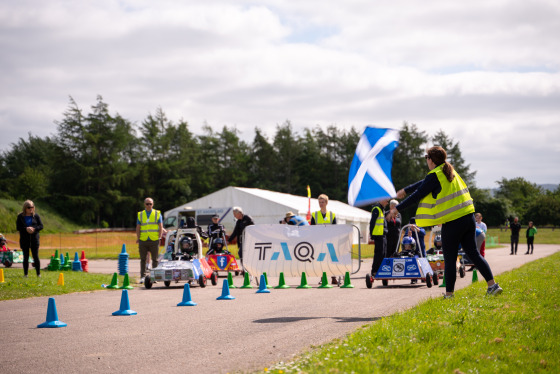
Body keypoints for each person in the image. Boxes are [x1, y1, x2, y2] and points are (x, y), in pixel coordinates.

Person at [387, 146, 502, 298]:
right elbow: (424, 183)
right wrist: (406, 190)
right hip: (468, 218)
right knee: (473, 253)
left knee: (449, 258)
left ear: (431, 160)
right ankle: (492, 285)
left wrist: (396, 209)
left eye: (426, 157)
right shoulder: (449, 171)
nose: (426, 161)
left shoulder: (435, 175)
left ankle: (449, 295)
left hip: (453, 222)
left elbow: (420, 193)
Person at [136, 197, 164, 283]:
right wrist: (138, 238)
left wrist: (159, 237)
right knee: (143, 259)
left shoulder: (157, 213)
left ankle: (154, 277)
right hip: (143, 239)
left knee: (155, 259)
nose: (149, 205)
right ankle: (142, 277)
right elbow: (138, 227)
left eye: (150, 204)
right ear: (144, 204)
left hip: (154, 239)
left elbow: (161, 227)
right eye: (147, 204)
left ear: (153, 204)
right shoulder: (140, 214)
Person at [16, 200, 43, 278]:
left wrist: (34, 229)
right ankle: (25, 274)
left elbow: (41, 226)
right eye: (29, 207)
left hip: (34, 239)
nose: (31, 209)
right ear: (25, 208)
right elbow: (18, 227)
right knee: (26, 257)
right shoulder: (20, 216)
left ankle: (38, 274)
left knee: (36, 256)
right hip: (25, 240)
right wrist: (26, 229)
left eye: (32, 207)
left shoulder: (36, 216)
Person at [369, 198, 388, 277]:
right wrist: (372, 235)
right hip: (378, 235)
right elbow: (372, 222)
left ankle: (380, 270)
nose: (387, 203)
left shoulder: (381, 209)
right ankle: (374, 270)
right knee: (378, 254)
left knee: (383, 254)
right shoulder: (376, 209)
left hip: (382, 235)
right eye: (386, 201)